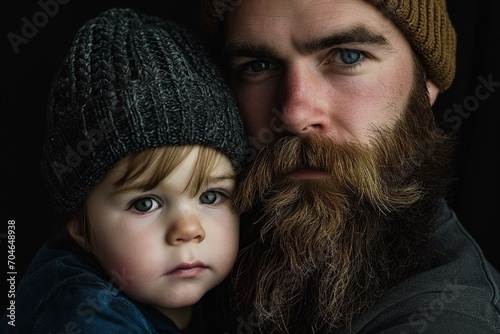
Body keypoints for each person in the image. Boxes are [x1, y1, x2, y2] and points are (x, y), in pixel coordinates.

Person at [198, 0, 500, 333]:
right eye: (258, 65)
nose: (295, 115)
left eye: (347, 56)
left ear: (425, 81)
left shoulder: (449, 318)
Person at [0, 7, 246, 333]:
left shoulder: (207, 298)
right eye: (145, 203)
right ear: (79, 226)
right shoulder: (82, 312)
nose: (188, 229)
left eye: (211, 195)